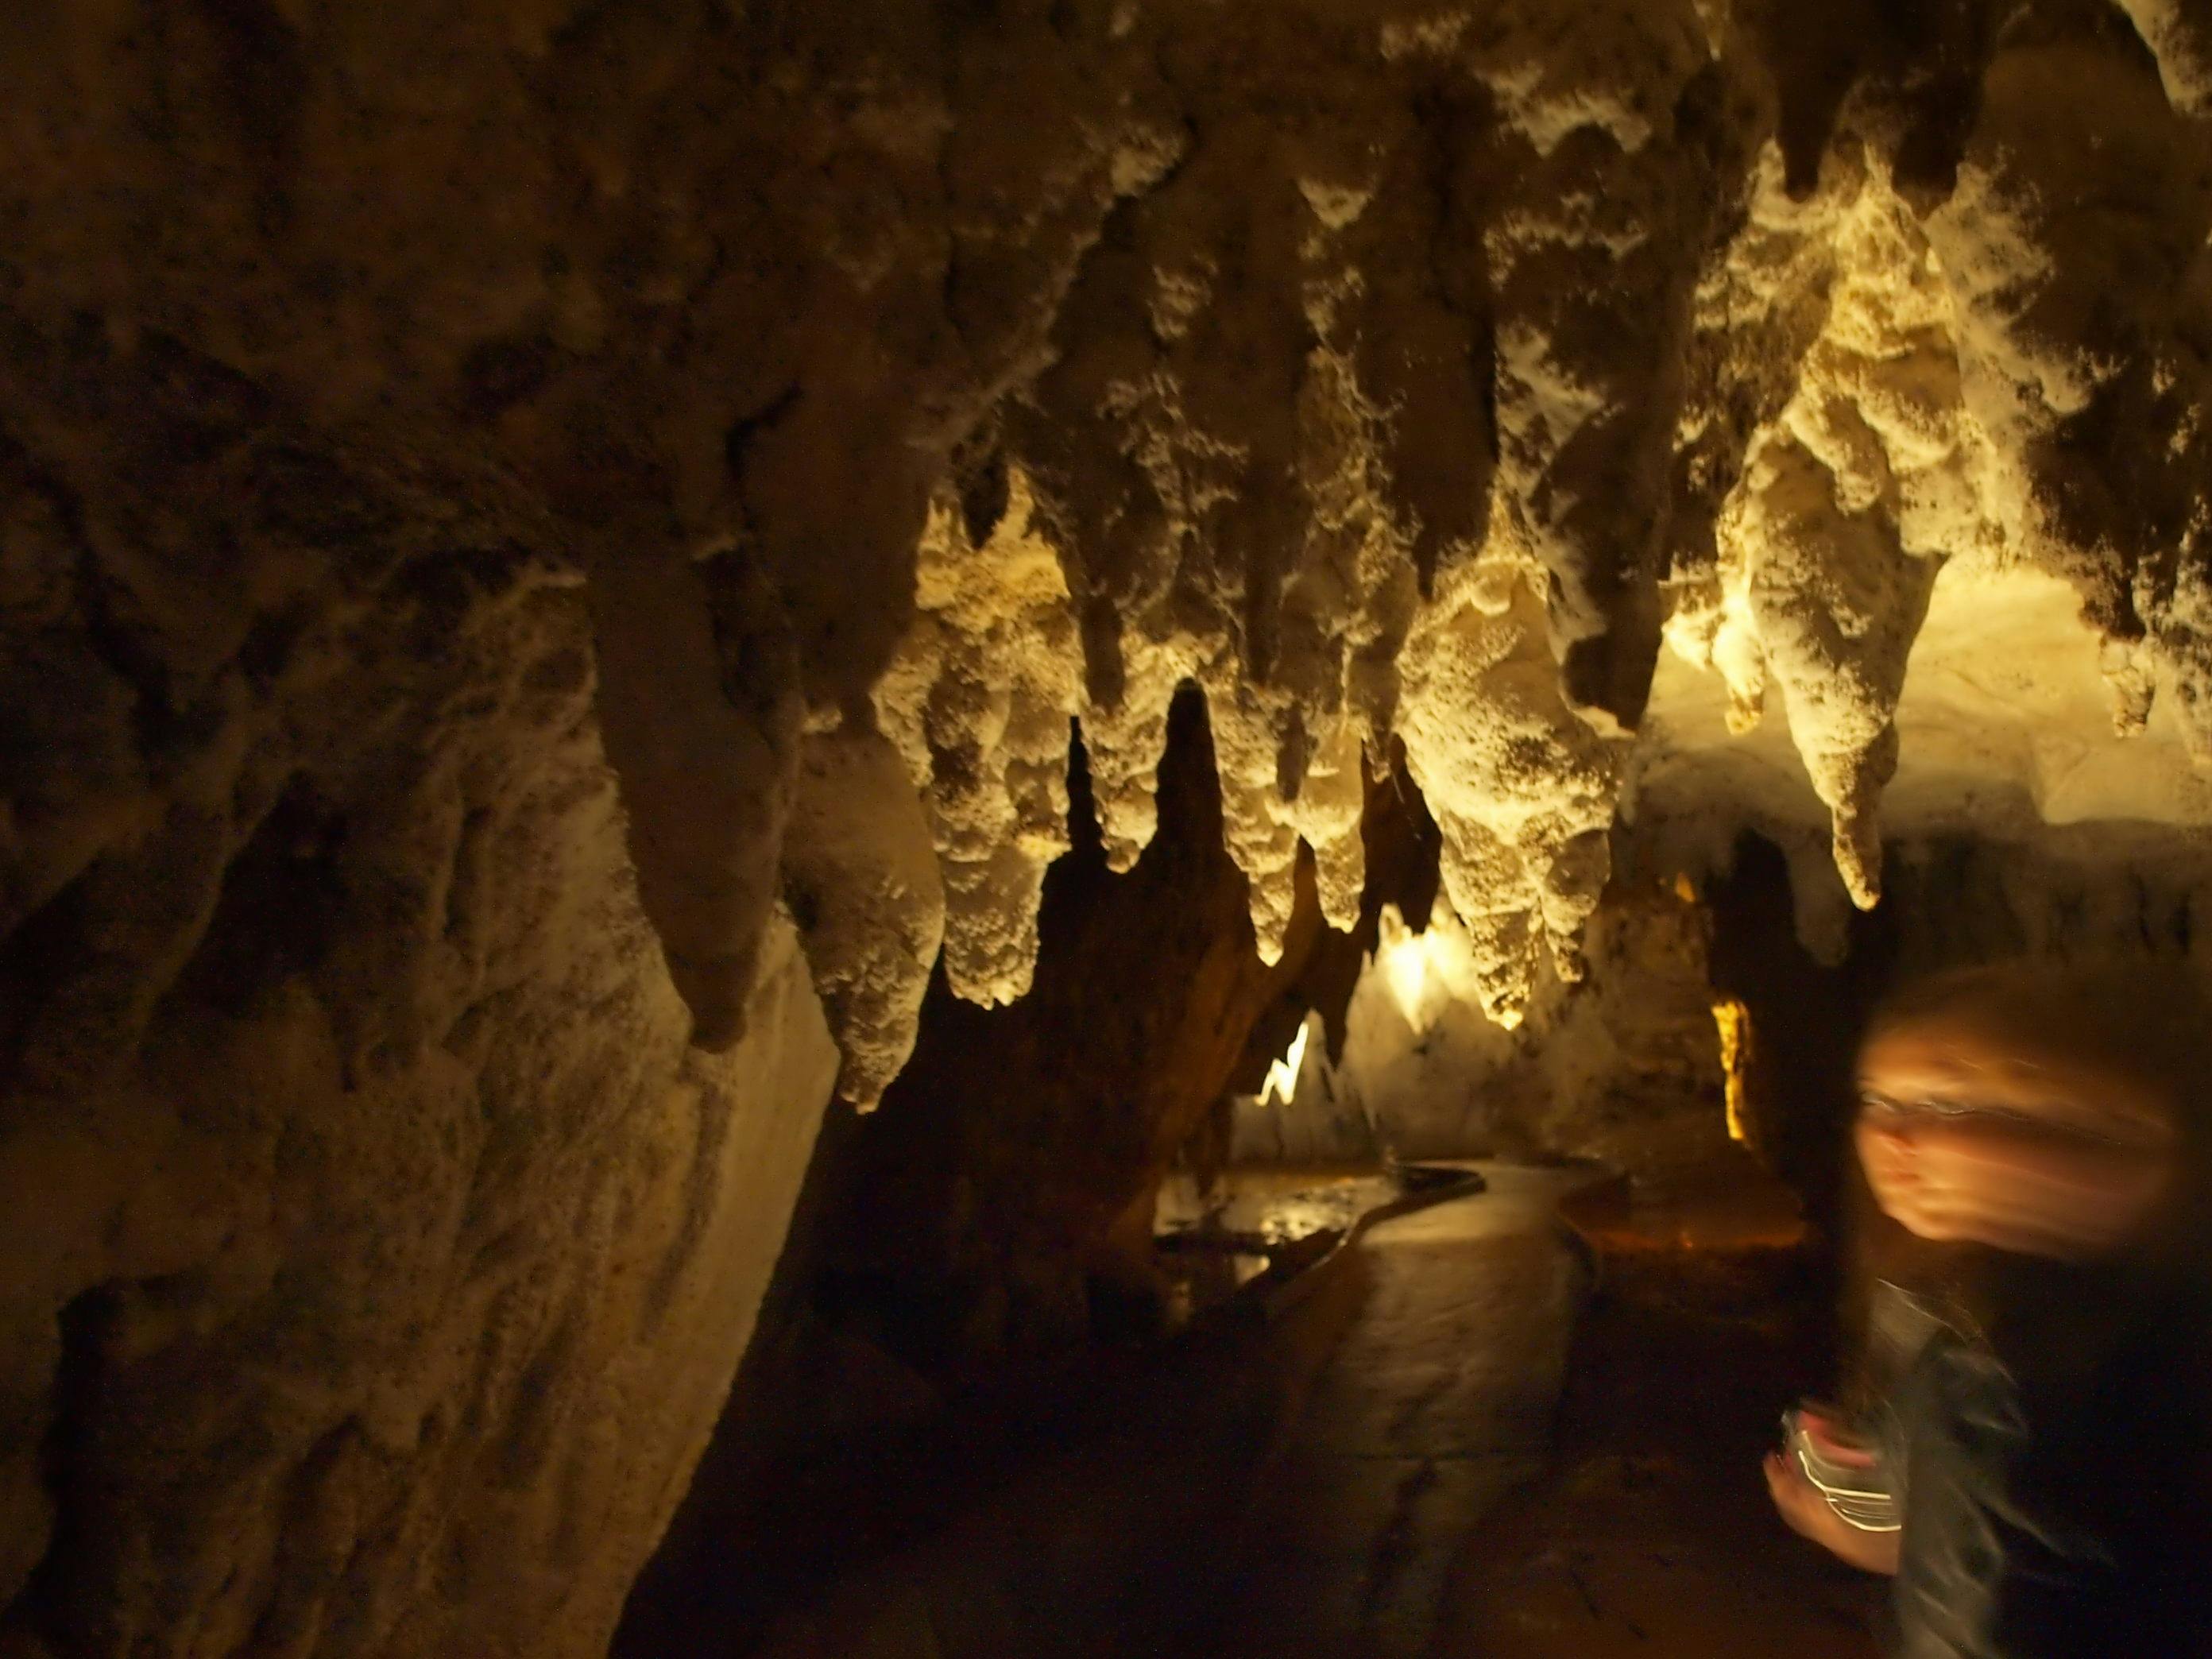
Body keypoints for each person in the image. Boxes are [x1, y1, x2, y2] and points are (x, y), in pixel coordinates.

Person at [1763, 961, 2212, 1657]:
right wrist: (1885, 1519)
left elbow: (1977, 1608)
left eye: (1948, 1106)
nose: (1890, 1139)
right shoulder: (1990, 1307)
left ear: (2100, 1122)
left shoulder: (1996, 1379)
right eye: (1878, 1100)